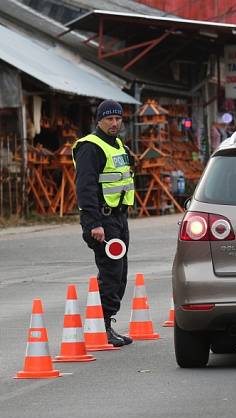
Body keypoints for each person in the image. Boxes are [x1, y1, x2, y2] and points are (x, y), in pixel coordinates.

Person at [73, 99, 135, 347]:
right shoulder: (91, 147)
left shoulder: (118, 145)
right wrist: (93, 223)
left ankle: (106, 323)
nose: (114, 123)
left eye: (118, 118)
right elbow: (85, 188)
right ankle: (101, 326)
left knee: (120, 274)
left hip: (118, 218)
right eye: (109, 119)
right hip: (102, 219)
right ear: (99, 120)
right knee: (111, 272)